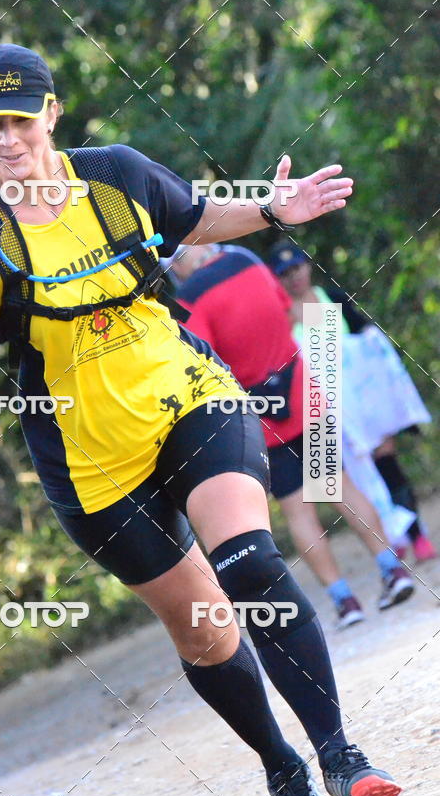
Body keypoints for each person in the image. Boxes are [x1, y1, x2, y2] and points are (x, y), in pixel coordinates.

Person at [0, 43, 402, 796]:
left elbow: (193, 217)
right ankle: (285, 774)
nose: (5, 139)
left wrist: (274, 209)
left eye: (18, 120)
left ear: (51, 112)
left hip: (186, 395)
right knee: (204, 627)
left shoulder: (113, 174)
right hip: (89, 459)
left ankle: (342, 758)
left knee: (249, 563)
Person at [171, 243, 415, 628]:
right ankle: (393, 570)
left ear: (178, 263)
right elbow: (287, 312)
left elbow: (200, 364)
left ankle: (346, 602)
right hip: (302, 393)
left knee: (299, 511)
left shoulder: (189, 298)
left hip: (259, 415)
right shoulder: (247, 262)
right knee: (339, 487)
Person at [270, 240, 436, 563]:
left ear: (307, 266)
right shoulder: (282, 318)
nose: (294, 277)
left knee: (386, 462)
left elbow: (369, 339)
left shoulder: (332, 299)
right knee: (347, 480)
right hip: (322, 414)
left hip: (364, 403)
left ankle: (416, 535)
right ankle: (387, 546)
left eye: (297, 268)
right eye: (285, 273)